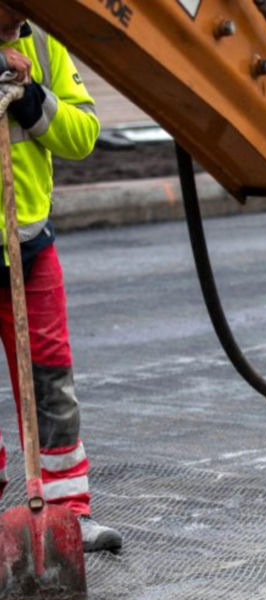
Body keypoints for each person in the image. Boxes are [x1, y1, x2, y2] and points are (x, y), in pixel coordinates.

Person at [0, 6, 121, 552]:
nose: (16, 15)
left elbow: (83, 136)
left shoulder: (46, 45)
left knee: (50, 378)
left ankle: (66, 512)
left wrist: (30, 99)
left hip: (28, 244)